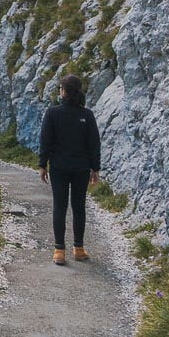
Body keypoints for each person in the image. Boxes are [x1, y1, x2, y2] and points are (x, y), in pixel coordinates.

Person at [38, 74, 101, 265]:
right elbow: (94, 144)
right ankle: (79, 248)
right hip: (81, 168)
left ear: (64, 91)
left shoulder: (52, 113)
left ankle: (59, 250)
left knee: (60, 206)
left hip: (58, 168)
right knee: (79, 207)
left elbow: (46, 141)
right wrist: (95, 168)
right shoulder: (86, 115)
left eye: (60, 88)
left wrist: (43, 164)